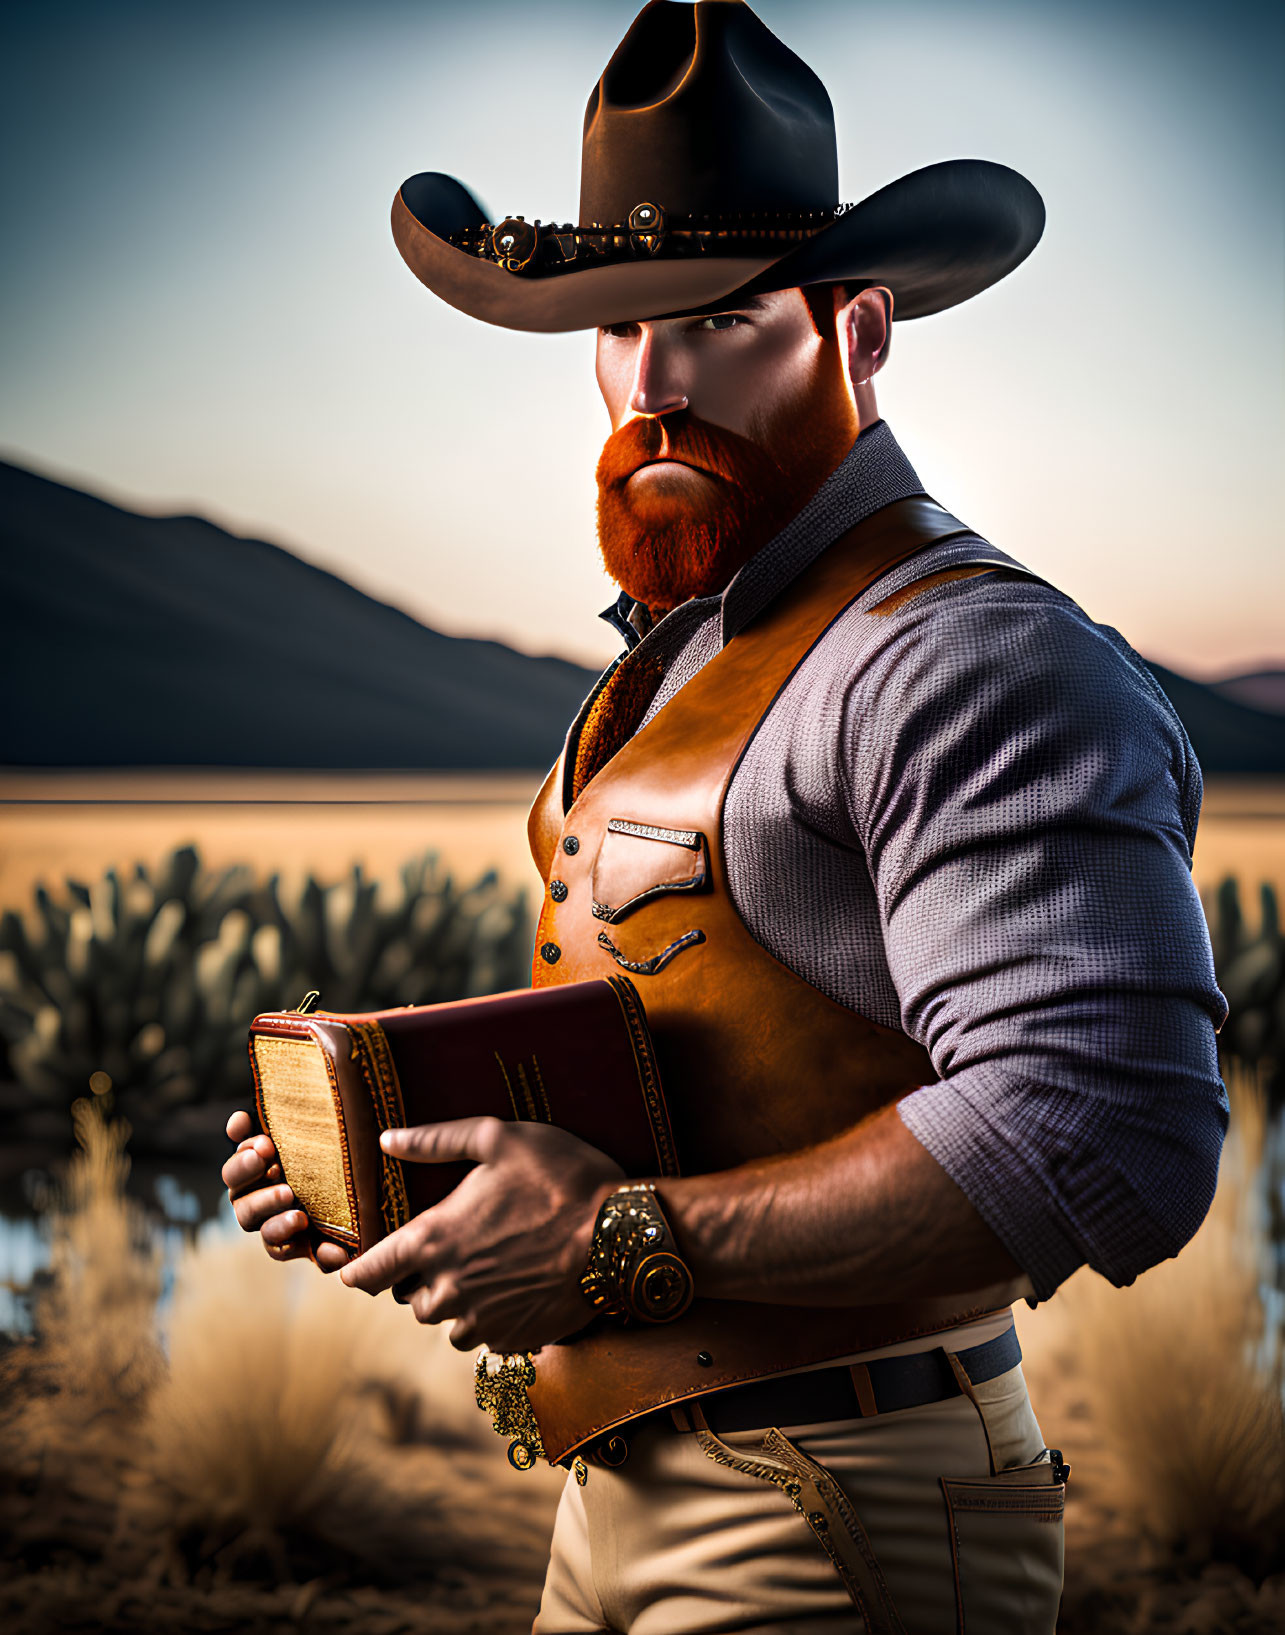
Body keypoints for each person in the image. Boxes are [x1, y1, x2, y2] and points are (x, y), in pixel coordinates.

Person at [223, 3, 1228, 1629]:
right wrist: (393, 1171)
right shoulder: (696, 646)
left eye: (720, 318)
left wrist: (612, 1244)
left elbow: (1101, 1127)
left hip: (851, 1508)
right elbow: (690, 1051)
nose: (653, 384)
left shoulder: (969, 657)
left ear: (860, 329)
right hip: (622, 1483)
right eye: (615, 331)